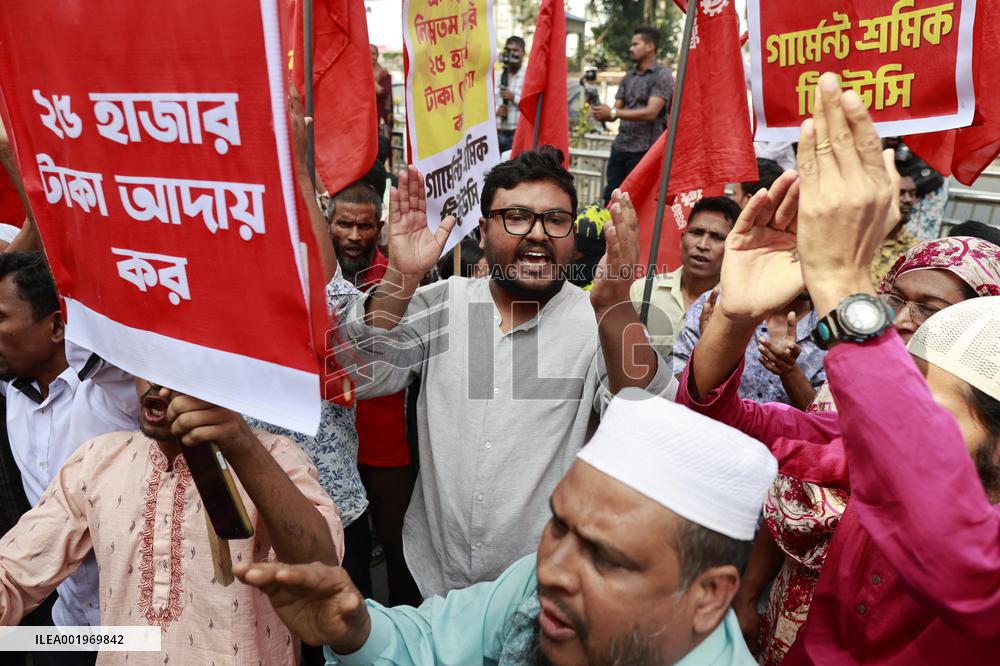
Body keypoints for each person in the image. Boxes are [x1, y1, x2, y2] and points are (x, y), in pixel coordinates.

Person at [678, 73, 1000, 662]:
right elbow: (717, 418)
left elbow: (960, 564)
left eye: (926, 415)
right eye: (904, 393)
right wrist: (733, 314)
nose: (895, 422)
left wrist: (842, 286)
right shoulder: (854, 433)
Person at [335, 146, 675, 598]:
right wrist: (401, 278)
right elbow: (359, 370)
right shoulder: (447, 301)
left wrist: (615, 305)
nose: (537, 234)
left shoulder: (597, 320)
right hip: (433, 580)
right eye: (516, 216)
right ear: (484, 229)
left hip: (540, 593)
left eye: (555, 220)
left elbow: (648, 416)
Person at [236, 389, 776, 665]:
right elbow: (430, 643)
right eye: (559, 525)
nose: (553, 569)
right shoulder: (532, 588)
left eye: (606, 558)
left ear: (708, 596)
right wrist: (354, 631)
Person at [733, 234, 1000, 663]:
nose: (906, 320)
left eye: (931, 311)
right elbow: (783, 450)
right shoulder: (852, 393)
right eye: (895, 300)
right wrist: (733, 322)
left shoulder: (968, 547)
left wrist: (835, 273)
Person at [0, 379, 343, 664]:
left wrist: (240, 444)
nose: (158, 384)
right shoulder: (97, 460)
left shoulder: (275, 456)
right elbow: (13, 574)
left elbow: (322, 570)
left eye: (177, 367)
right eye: (146, 364)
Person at [0, 251, 139, 663]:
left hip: (136, 634)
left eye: (1, 318)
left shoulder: (115, 394)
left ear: (58, 325)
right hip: (67, 629)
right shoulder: (13, 391)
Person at [325, 179, 421, 607]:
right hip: (330, 445)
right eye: (344, 224)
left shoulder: (400, 277)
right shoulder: (313, 276)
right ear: (329, 222)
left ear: (379, 227)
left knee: (400, 549)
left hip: (386, 444)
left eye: (364, 226)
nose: (353, 236)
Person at [629, 196, 743, 362]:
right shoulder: (643, 290)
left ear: (734, 248)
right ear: (682, 240)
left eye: (717, 237)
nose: (703, 245)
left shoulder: (735, 308)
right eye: (697, 233)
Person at [671, 289, 827, 409]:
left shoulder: (833, 332)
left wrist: (790, 372)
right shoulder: (721, 306)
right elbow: (675, 389)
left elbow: (827, 423)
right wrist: (713, 349)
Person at [592, 26, 674, 203]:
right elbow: (615, 111)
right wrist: (603, 111)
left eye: (636, 44)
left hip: (644, 152)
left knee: (636, 202)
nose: (631, 48)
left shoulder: (662, 75)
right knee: (610, 198)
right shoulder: (629, 76)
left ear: (650, 46)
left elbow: (651, 112)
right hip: (621, 147)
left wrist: (614, 112)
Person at [868, 156, 919, 283]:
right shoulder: (858, 238)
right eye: (901, 193)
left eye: (912, 193)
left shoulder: (913, 251)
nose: (908, 200)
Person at [495, 36, 526, 154]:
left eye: (515, 51)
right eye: (508, 50)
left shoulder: (528, 77)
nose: (511, 54)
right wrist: (497, 111)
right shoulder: (498, 76)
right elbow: (488, 103)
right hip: (498, 133)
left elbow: (532, 106)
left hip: (517, 134)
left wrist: (514, 97)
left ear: (523, 53)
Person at [372, 44, 394, 165]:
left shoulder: (384, 74)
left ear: (377, 56)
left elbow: (383, 92)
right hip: (365, 115)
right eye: (368, 53)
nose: (371, 56)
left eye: (374, 53)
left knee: (381, 144)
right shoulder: (359, 73)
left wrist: (372, 80)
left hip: (380, 115)